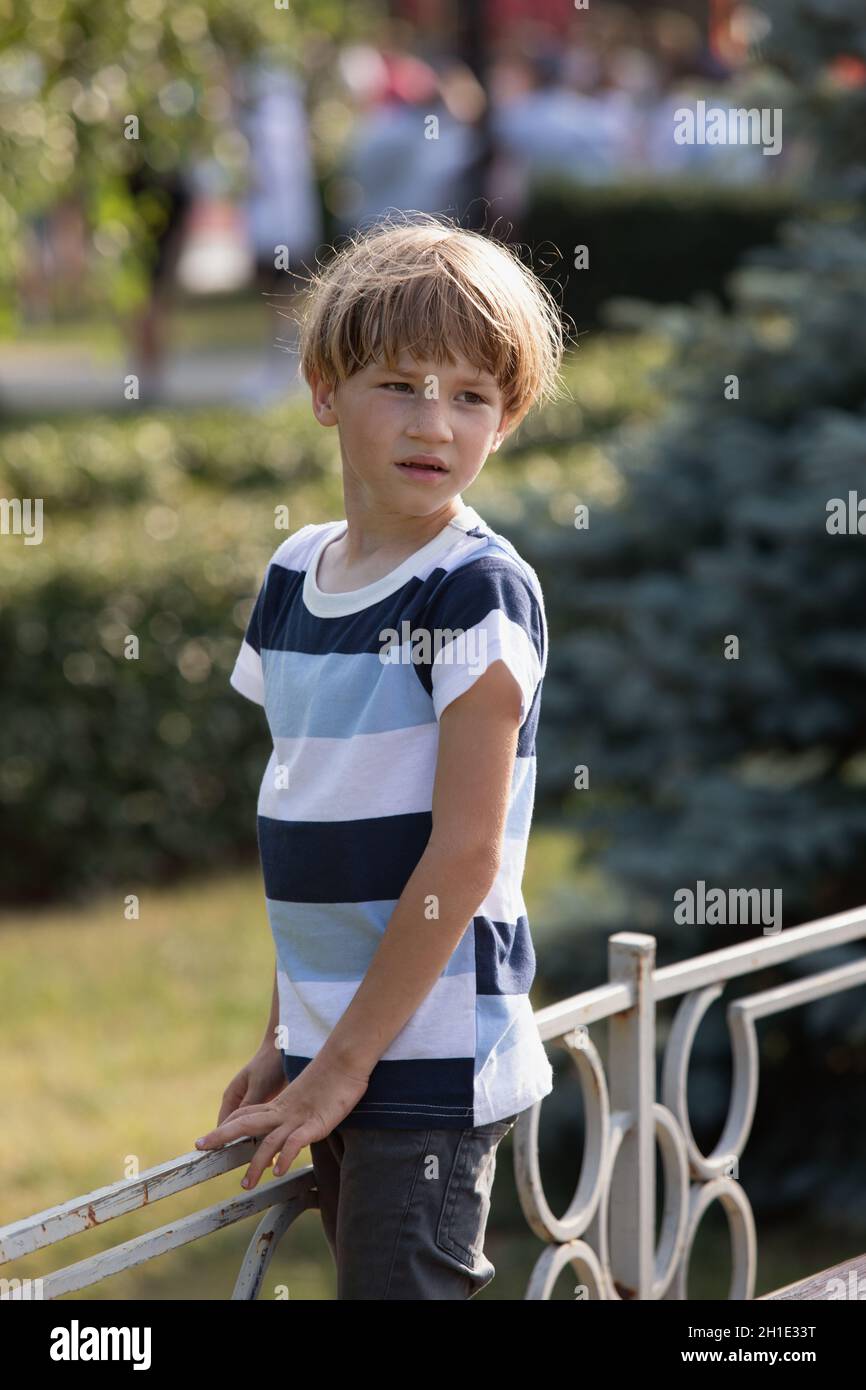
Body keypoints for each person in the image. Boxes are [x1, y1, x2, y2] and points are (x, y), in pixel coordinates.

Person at [195, 212, 566, 1299]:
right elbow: (307, 814)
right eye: (399, 383)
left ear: (505, 421)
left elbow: (462, 857)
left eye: (470, 397)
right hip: (342, 1052)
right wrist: (289, 1036)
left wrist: (344, 1065)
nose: (433, 423)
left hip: (427, 1070)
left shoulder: (475, 592)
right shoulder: (294, 576)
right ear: (324, 389)